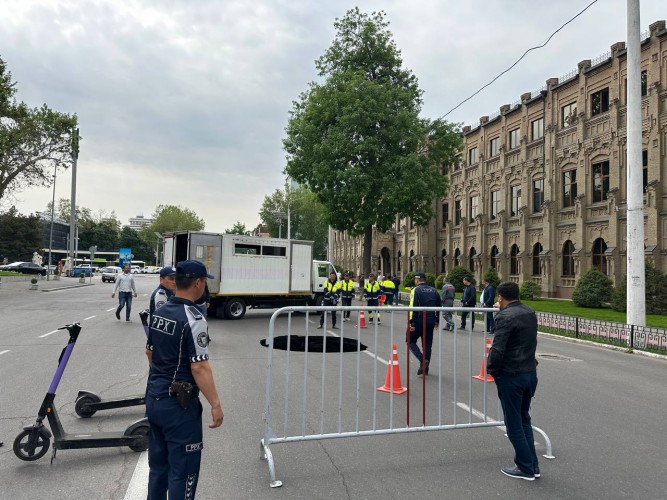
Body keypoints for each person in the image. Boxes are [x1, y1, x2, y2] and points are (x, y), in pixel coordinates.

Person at [145, 260, 224, 498]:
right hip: (179, 406)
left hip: (154, 397)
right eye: (205, 282)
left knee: (158, 468)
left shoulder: (159, 312)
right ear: (198, 283)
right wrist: (215, 404)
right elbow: (199, 367)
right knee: (184, 471)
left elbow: (149, 352)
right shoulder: (194, 318)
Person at [487, 281, 539, 481]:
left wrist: (492, 370)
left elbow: (498, 348)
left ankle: (525, 467)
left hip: (511, 374)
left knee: (513, 423)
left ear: (500, 297)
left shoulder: (505, 316)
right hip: (529, 372)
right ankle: (533, 465)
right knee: (524, 418)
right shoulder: (529, 312)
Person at [408, 272, 442, 375]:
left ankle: (422, 360)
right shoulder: (434, 290)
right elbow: (439, 306)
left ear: (417, 280)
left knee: (410, 340)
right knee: (427, 345)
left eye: (415, 280)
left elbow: (413, 307)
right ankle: (425, 369)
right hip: (431, 320)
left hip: (419, 319)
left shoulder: (416, 290)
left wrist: (411, 322)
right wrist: (437, 320)